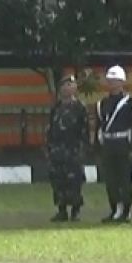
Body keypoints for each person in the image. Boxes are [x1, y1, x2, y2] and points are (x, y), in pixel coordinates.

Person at [97, 65, 132, 223]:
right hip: (108, 143)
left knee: (124, 179)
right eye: (110, 80)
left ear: (122, 82)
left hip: (123, 144)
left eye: (116, 80)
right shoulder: (102, 103)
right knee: (111, 180)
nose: (113, 83)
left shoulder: (130, 102)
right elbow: (99, 127)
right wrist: (98, 148)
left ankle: (126, 211)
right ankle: (114, 209)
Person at [46, 75, 89, 222]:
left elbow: (85, 130)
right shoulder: (56, 108)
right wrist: (49, 148)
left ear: (75, 88)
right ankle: (61, 210)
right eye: (65, 85)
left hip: (73, 150)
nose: (67, 88)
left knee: (75, 181)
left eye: (71, 84)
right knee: (58, 181)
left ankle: (75, 211)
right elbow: (51, 129)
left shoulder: (80, 107)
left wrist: (83, 149)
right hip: (58, 151)